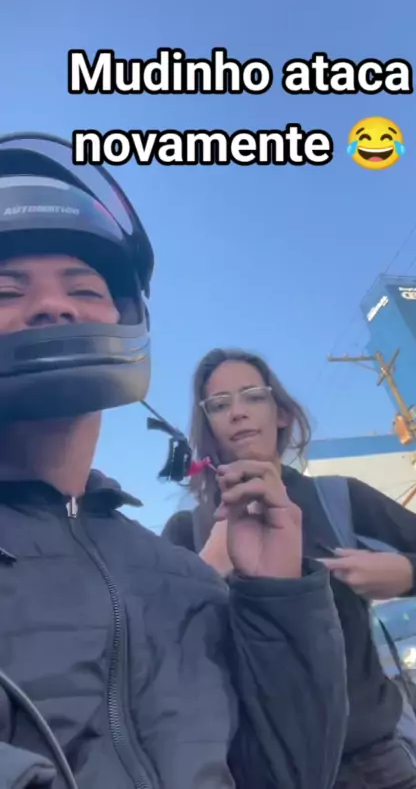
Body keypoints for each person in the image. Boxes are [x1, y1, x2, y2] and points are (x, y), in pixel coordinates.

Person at [0, 135, 348, 789]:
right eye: (5, 290)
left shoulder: (179, 576)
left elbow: (290, 773)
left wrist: (280, 598)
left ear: (127, 315)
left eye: (83, 287)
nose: (53, 305)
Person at [162, 347, 416, 789]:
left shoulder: (338, 500)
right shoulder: (188, 534)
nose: (237, 412)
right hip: (258, 776)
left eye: (252, 396)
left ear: (280, 412)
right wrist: (211, 569)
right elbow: (158, 668)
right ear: (207, 426)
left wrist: (407, 572)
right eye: (219, 404)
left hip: (374, 766)